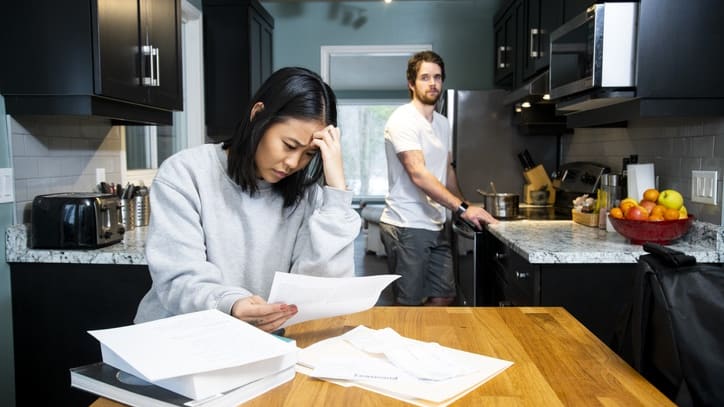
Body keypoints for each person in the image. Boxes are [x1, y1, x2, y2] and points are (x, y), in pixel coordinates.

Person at [134, 67, 361, 332]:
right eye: (289, 145)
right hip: (180, 338)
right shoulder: (185, 173)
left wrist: (337, 193)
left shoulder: (308, 197)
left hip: (260, 344)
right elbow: (178, 280)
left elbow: (321, 290)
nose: (293, 163)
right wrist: (231, 304)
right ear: (258, 115)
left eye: (309, 154)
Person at [379, 51, 498, 306]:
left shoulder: (442, 123)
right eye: (425, 77)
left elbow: (447, 170)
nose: (433, 83)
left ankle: (425, 343)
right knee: (408, 305)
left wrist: (464, 206)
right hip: (407, 224)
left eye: (437, 77)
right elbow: (418, 173)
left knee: (444, 296)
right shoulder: (402, 120)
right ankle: (406, 345)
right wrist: (462, 209)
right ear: (411, 83)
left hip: (435, 223)